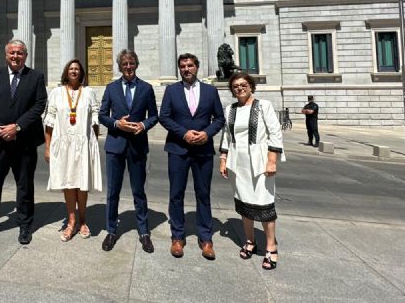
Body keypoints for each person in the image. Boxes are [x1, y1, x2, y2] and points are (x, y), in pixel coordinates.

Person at [0, 40, 47, 245]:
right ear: (6, 55)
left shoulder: (35, 77)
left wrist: (16, 127)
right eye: (12, 53)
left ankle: (25, 225)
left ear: (26, 55)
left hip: (23, 141)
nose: (16, 56)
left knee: (24, 185)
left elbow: (39, 105)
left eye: (20, 53)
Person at [159, 53, 225, 260]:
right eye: (183, 66)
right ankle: (177, 237)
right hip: (178, 149)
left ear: (197, 67)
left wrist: (207, 133)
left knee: (203, 194)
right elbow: (164, 117)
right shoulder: (171, 90)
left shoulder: (210, 91)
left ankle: (206, 239)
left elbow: (220, 118)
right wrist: (183, 133)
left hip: (203, 150)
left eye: (190, 65)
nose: (186, 69)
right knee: (176, 194)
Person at [219, 73, 285, 270]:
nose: (240, 88)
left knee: (264, 205)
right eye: (236, 86)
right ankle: (250, 240)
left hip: (260, 162)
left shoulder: (263, 105)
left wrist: (272, 161)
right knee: (244, 203)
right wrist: (223, 159)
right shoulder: (230, 109)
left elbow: (275, 132)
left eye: (243, 85)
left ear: (251, 86)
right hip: (237, 163)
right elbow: (226, 136)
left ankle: (271, 247)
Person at [99, 49, 158, 253]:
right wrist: (116, 124)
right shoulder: (111, 88)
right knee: (112, 191)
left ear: (136, 65)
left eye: (132, 63)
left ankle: (144, 232)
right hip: (115, 146)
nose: (128, 67)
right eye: (125, 64)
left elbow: (154, 116)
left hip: (137, 145)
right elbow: (102, 115)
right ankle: (111, 230)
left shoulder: (147, 88)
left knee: (138, 191)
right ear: (119, 66)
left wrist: (143, 125)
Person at [44, 59, 101, 241]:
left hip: (83, 144)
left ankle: (83, 221)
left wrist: (92, 144)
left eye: (77, 69)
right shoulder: (57, 93)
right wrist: (47, 148)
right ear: (66, 72)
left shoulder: (90, 92)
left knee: (81, 183)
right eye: (71, 69)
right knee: (68, 183)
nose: (74, 71)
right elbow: (49, 122)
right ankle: (71, 221)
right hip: (63, 145)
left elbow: (95, 121)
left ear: (81, 72)